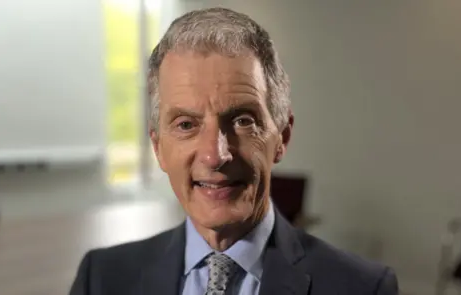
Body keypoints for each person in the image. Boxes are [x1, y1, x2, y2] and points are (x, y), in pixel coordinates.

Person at [70, 7, 398, 295]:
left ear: (281, 136)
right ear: (158, 148)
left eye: (242, 120)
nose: (215, 155)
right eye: (186, 124)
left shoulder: (363, 287)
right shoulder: (101, 278)